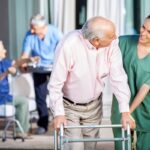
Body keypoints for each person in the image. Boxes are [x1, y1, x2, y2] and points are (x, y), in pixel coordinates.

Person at [48, 16, 135, 150]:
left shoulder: (112, 44)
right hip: (70, 106)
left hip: (94, 106)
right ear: (96, 41)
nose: (116, 37)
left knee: (90, 147)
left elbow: (119, 78)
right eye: (112, 35)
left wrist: (125, 111)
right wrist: (59, 113)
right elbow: (55, 83)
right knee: (75, 147)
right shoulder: (69, 45)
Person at [111, 15, 150, 150]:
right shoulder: (123, 42)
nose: (143, 33)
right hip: (121, 107)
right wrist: (124, 112)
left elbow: (145, 88)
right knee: (122, 146)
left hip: (146, 110)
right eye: (143, 27)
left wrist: (128, 113)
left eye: (149, 32)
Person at [21, 14, 63, 134]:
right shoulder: (30, 35)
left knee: (59, 94)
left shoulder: (55, 32)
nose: (31, 30)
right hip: (39, 68)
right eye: (31, 27)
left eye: (34, 27)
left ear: (43, 26)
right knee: (40, 96)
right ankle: (43, 124)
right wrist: (23, 63)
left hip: (55, 67)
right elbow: (25, 54)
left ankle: (62, 121)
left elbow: (64, 49)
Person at [0, 41, 38, 138]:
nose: (5, 50)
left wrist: (30, 59)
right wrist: (5, 73)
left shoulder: (4, 62)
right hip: (1, 99)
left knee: (23, 101)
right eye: (2, 48)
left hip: (6, 97)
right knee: (22, 101)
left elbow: (17, 62)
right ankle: (20, 131)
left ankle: (21, 130)